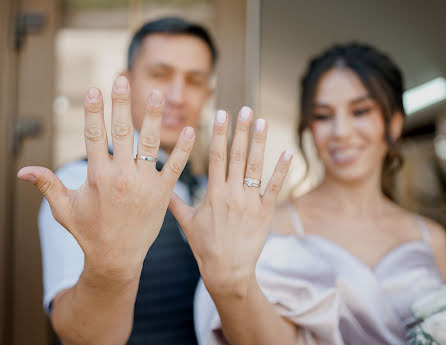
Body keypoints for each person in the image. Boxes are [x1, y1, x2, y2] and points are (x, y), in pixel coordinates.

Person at [169, 43, 446, 345]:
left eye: (360, 111)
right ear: (309, 128)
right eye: (323, 116)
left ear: (394, 122)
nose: (340, 131)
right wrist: (233, 287)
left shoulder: (431, 238)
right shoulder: (273, 227)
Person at [18, 17, 217, 345]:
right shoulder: (80, 184)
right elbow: (77, 333)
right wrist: (110, 268)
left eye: (194, 80)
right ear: (126, 81)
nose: (178, 95)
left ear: (207, 93)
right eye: (160, 75)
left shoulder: (209, 190)